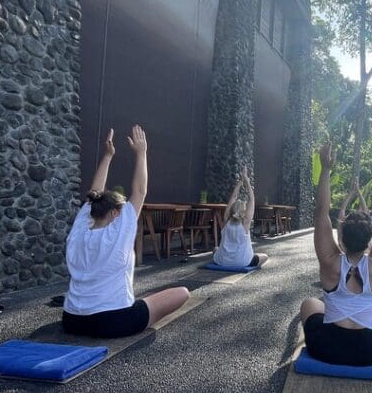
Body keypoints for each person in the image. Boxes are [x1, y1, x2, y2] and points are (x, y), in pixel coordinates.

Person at [62, 127, 189, 338]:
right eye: (120, 210)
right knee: (182, 292)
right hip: (112, 321)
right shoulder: (119, 230)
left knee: (146, 298)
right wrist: (142, 153)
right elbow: (140, 190)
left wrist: (108, 156)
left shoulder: (80, 228)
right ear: (114, 212)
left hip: (72, 320)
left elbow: (94, 193)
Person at [300, 142, 372, 366]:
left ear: (341, 238)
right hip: (369, 353)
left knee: (309, 303)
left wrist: (325, 169)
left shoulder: (330, 260)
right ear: (369, 239)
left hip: (325, 348)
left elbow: (321, 211)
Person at [213, 166, 268, 270]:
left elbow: (233, 197)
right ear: (243, 211)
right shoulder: (245, 223)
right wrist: (246, 180)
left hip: (223, 261)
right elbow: (252, 199)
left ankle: (225, 259)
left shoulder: (226, 219)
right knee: (265, 256)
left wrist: (240, 182)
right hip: (243, 262)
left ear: (232, 210)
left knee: (215, 249)